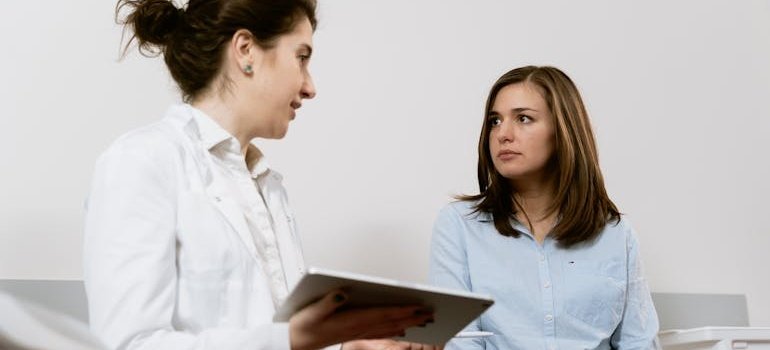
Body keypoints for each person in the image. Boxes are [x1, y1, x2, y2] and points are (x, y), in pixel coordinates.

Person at [83, 1, 441, 349]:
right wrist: (291, 339)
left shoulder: (268, 187)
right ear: (246, 51)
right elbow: (129, 343)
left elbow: (271, 332)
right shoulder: (141, 161)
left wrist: (347, 347)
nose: (310, 86)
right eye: (301, 58)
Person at [428, 66, 660, 349]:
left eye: (523, 118)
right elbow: (459, 343)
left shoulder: (616, 235)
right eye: (495, 121)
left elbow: (639, 342)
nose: (503, 134)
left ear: (563, 130)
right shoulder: (458, 226)